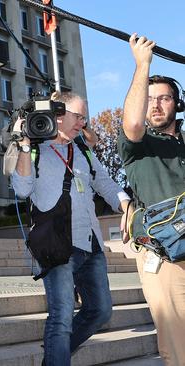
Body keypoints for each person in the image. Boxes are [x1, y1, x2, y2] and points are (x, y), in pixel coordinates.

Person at [11, 92, 132, 365]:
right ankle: (57, 352)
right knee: (61, 316)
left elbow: (105, 183)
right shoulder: (34, 150)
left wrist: (126, 205)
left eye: (83, 117)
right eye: (78, 116)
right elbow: (21, 189)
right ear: (59, 115)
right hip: (56, 246)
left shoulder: (82, 150)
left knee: (100, 311)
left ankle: (55, 353)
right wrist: (23, 145)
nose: (83, 122)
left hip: (91, 244)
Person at [118, 33, 185, 366]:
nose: (156, 105)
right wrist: (142, 64)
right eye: (149, 99)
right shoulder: (138, 145)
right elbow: (132, 122)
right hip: (166, 257)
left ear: (178, 103)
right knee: (179, 344)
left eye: (165, 98)